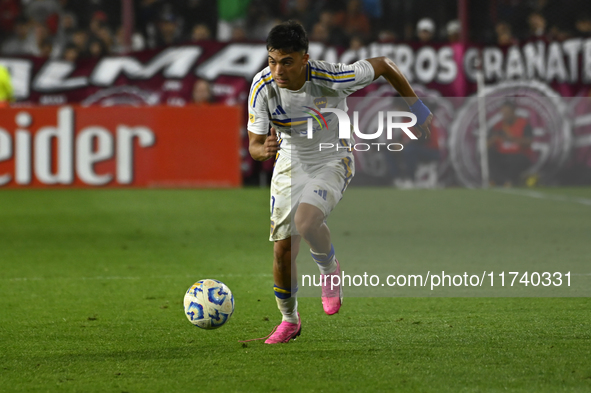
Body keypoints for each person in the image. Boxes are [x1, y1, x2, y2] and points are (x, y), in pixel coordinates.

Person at [246, 20, 432, 344]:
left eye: (287, 61)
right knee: (282, 252)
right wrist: (264, 149)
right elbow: (254, 144)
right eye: (272, 60)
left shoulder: (333, 77)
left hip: (333, 157)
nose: (278, 70)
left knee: (306, 222)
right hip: (290, 162)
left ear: (304, 59)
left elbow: (385, 66)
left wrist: (417, 107)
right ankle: (290, 321)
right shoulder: (262, 87)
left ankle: (329, 269)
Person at [488, 100, 533, 186]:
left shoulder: (523, 124)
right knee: (489, 154)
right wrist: (493, 139)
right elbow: (487, 144)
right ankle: (499, 181)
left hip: (519, 155)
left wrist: (511, 139)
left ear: (513, 112)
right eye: (503, 113)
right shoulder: (497, 126)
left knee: (516, 160)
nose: (505, 115)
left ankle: (509, 181)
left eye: (507, 112)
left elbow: (529, 142)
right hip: (502, 155)